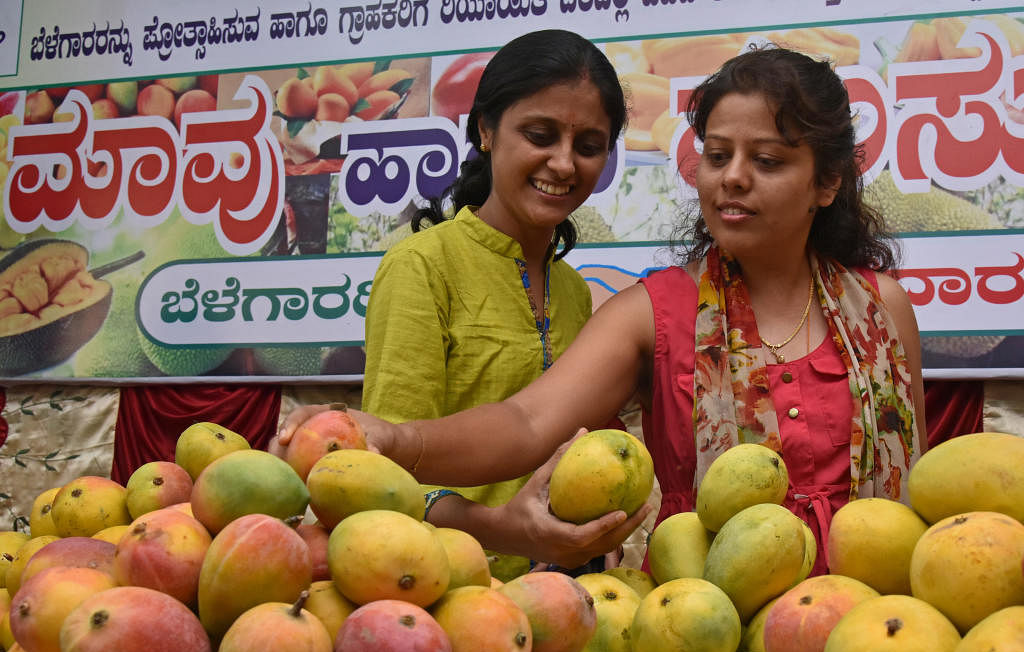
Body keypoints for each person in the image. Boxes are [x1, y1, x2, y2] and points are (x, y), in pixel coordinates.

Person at [276, 46, 927, 574]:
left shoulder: (882, 309)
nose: (732, 177)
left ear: (827, 180)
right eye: (718, 155)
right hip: (713, 643)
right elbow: (527, 421)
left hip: (878, 626)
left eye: (767, 160)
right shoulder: (652, 312)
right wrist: (393, 438)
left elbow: (918, 484)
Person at [355, 29, 648, 577]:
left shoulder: (573, 290)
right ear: (486, 130)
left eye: (588, 146)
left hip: (569, 594)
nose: (564, 164)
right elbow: (383, 475)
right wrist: (502, 527)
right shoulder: (422, 267)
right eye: (540, 135)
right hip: (453, 590)